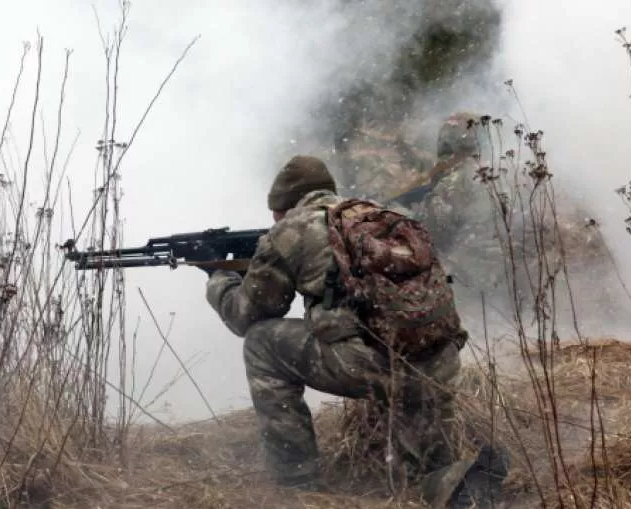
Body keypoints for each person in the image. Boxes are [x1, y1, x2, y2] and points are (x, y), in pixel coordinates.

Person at [200, 155, 508, 508]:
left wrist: (219, 277)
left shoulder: (291, 230)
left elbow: (245, 316)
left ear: (282, 208)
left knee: (261, 343)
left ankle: (295, 482)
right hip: (436, 359)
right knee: (420, 478)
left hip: (373, 364)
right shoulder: (378, 214)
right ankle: (457, 481)